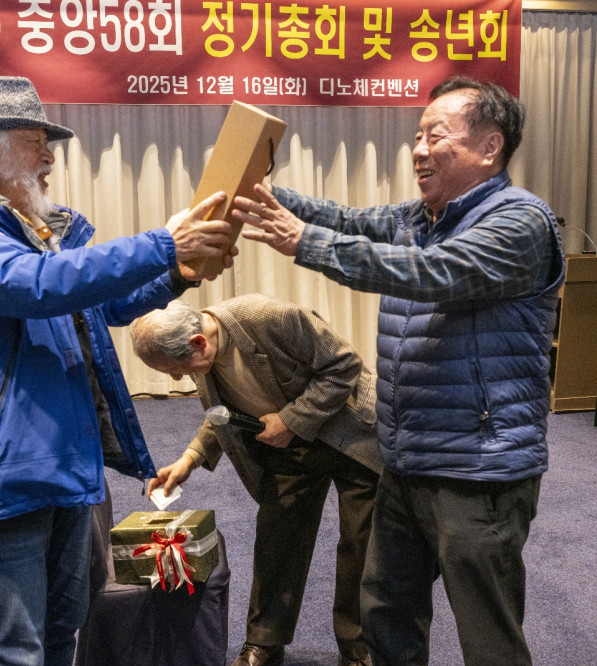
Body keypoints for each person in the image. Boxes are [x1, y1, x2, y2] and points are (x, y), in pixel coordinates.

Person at [231, 77, 566, 665]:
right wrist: (259, 192)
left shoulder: (520, 222)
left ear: (490, 147)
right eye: (417, 136)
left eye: (436, 136)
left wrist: (307, 242)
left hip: (478, 467)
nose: (418, 150)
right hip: (405, 458)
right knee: (385, 613)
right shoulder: (421, 217)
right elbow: (346, 219)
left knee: (487, 633)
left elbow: (433, 272)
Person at [0, 75, 235, 666]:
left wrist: (178, 272)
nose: (49, 156)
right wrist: (163, 242)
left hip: (61, 463)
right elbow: (35, 286)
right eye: (35, 141)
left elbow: (97, 303)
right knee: (16, 647)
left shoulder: (27, 230)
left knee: (62, 630)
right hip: (4, 476)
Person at [130, 295, 383, 666]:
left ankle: (358, 648)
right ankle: (265, 641)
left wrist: (290, 420)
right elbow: (223, 413)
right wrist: (190, 459)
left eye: (176, 368)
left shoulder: (270, 318)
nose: (177, 378)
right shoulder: (202, 353)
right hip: (291, 447)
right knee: (277, 538)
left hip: (351, 435)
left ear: (198, 342)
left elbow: (344, 366)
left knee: (360, 544)